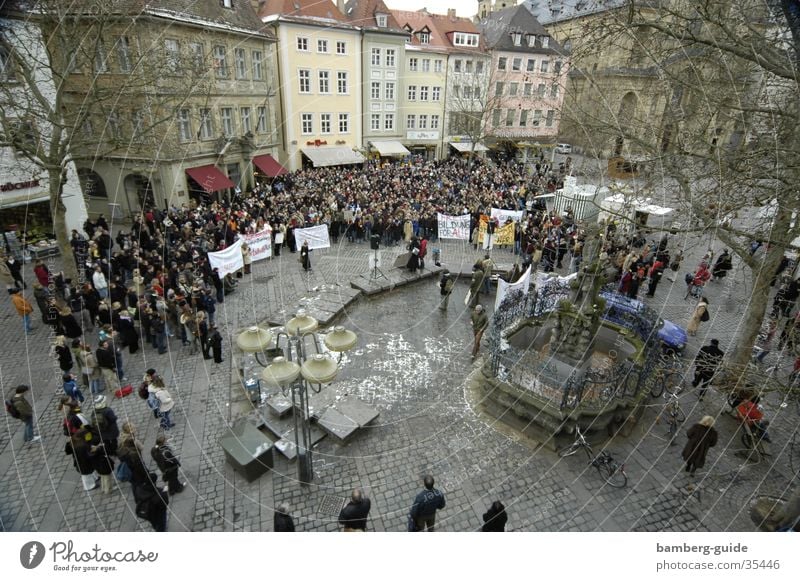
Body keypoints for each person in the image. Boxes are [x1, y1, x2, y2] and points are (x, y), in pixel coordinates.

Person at [64, 425, 100, 491]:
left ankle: (95, 478)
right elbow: (87, 455)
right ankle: (89, 486)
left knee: (90, 472)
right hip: (83, 463)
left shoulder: (75, 441)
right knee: (86, 475)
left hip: (82, 462)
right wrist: (95, 451)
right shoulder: (82, 445)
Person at [682, 416, 718, 480]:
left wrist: (692, 439)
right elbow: (713, 443)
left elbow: (689, 433)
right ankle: (693, 471)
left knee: (690, 455)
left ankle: (688, 466)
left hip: (692, 446)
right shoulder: (713, 432)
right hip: (702, 449)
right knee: (698, 459)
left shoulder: (696, 426)